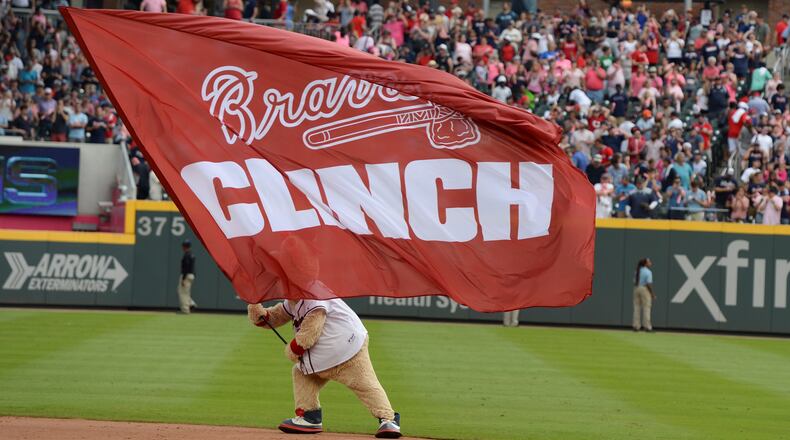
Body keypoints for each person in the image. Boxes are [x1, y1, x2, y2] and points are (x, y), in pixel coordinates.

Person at [633, 258, 655, 332]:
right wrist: (652, 294)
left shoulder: (637, 271)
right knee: (646, 308)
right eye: (649, 262)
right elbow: (648, 283)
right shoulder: (648, 272)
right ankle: (647, 327)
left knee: (637, 307)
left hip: (636, 288)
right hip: (644, 289)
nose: (650, 263)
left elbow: (634, 281)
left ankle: (636, 326)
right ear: (645, 264)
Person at [178, 239, 196, 314]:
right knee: (186, 292)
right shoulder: (191, 254)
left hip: (187, 275)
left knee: (183, 292)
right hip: (191, 275)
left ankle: (185, 310)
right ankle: (191, 304)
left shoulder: (187, 255)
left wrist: (183, 278)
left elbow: (186, 267)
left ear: (184, 246)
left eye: (183, 246)